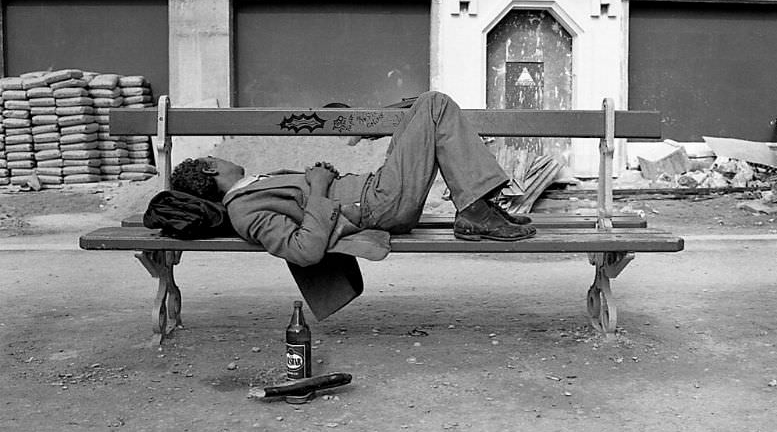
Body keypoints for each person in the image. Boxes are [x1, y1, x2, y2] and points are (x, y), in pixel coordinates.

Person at [169, 91, 536, 319]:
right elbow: (303, 250)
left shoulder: (253, 186)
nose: (224, 155)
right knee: (434, 104)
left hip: (375, 193)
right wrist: (317, 186)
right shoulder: (243, 209)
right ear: (210, 169)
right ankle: (475, 210)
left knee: (430, 106)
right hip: (376, 206)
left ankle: (478, 207)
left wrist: (320, 179)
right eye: (216, 157)